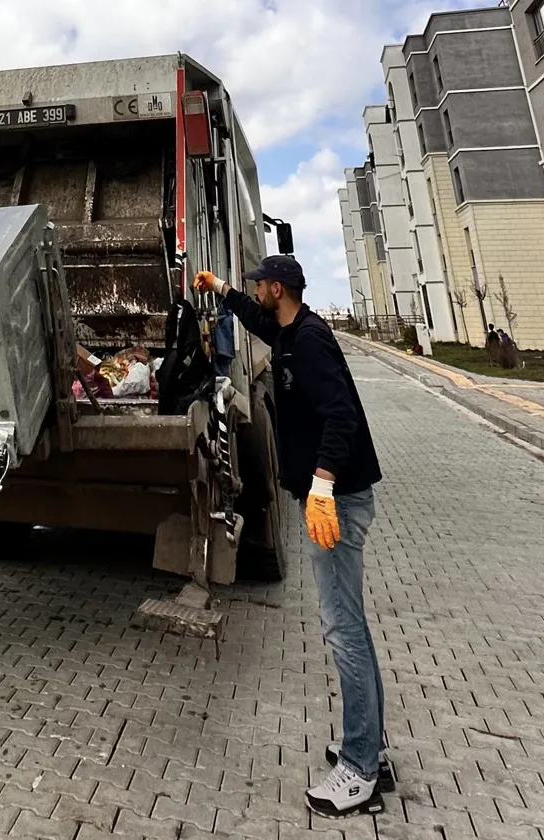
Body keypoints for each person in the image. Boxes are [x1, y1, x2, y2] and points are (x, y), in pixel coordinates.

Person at [195, 257, 387, 818]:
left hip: (337, 505)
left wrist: (323, 484)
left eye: (259, 284)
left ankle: (358, 770)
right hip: (335, 499)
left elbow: (342, 417)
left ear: (278, 288)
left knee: (342, 629)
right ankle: (370, 745)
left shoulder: (309, 342)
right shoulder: (288, 328)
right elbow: (254, 319)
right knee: (351, 623)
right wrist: (223, 290)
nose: (256, 290)